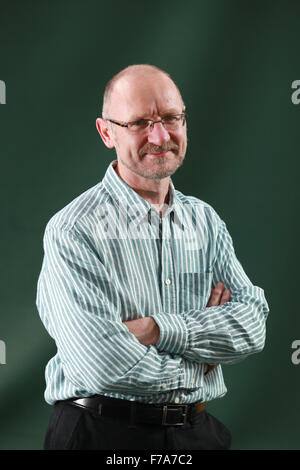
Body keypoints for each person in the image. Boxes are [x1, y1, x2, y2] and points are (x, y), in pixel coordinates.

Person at [36, 64, 269, 450]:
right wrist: (202, 363)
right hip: (101, 435)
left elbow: (252, 326)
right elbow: (101, 363)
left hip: (197, 434)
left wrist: (156, 330)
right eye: (140, 122)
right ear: (106, 131)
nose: (160, 136)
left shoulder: (205, 221)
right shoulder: (74, 230)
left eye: (171, 118)